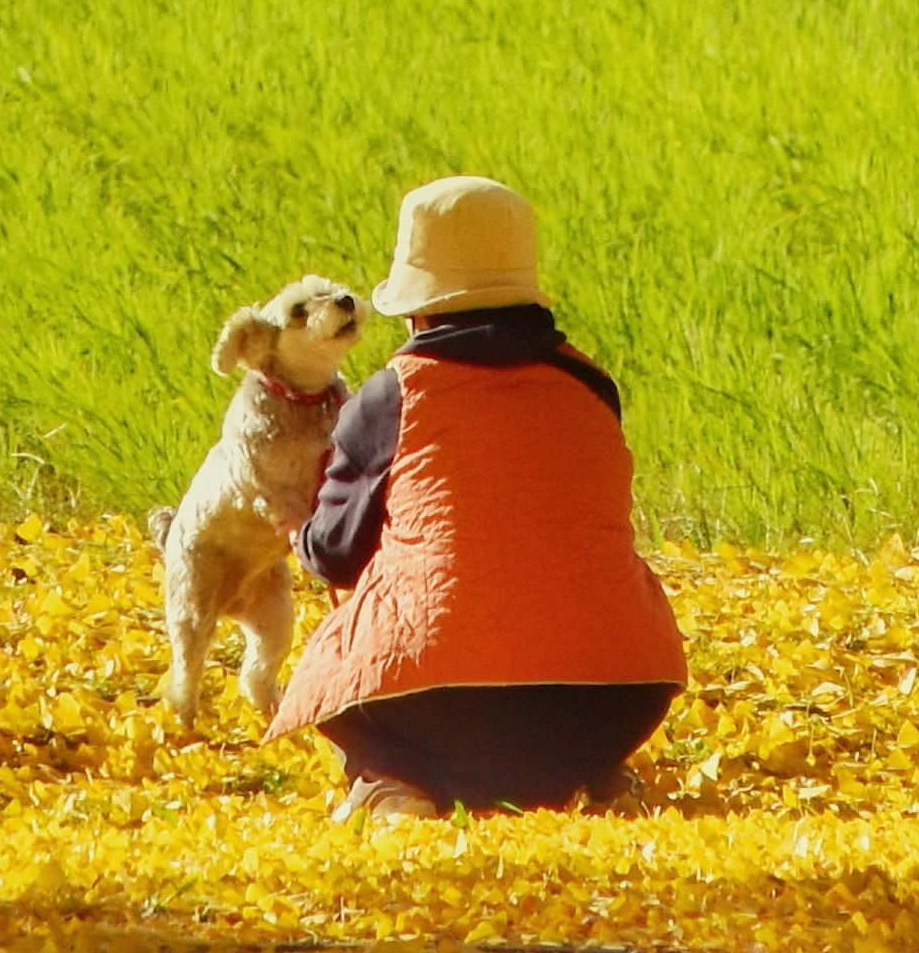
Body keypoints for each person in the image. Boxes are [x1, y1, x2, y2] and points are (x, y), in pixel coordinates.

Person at [271, 173, 684, 818]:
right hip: (617, 700)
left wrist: (296, 531)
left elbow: (336, 555)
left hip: (437, 709)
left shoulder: (392, 396)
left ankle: (393, 785)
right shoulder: (592, 385)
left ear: (421, 307)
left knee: (344, 647)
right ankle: (599, 779)